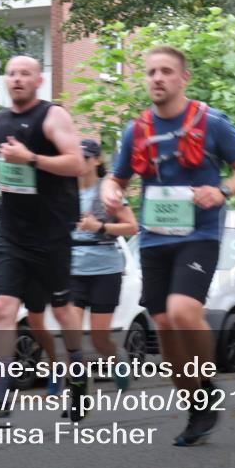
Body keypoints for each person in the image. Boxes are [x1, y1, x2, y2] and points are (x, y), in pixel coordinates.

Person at [101, 45, 235, 446]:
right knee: (166, 329)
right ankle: (196, 408)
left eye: (166, 71)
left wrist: (221, 191)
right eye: (151, 71)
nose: (157, 78)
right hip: (155, 239)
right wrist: (109, 192)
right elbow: (116, 179)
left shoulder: (212, 123)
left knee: (183, 311)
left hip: (200, 235)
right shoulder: (135, 130)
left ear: (183, 78)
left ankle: (207, 384)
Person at [0, 55, 90, 427]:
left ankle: (78, 373)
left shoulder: (54, 117)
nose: (17, 79)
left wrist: (31, 157)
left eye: (25, 74)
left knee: (63, 311)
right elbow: (4, 169)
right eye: (12, 74)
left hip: (51, 231)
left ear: (39, 81)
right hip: (12, 232)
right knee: (3, 308)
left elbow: (76, 165)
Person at [70, 139, 139, 391]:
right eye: (76, 158)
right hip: (71, 269)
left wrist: (99, 226)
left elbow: (132, 227)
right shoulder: (64, 190)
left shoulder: (108, 190)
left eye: (86, 158)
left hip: (104, 270)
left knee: (100, 339)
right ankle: (78, 387)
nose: (81, 162)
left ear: (97, 160)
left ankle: (116, 357)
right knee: (72, 336)